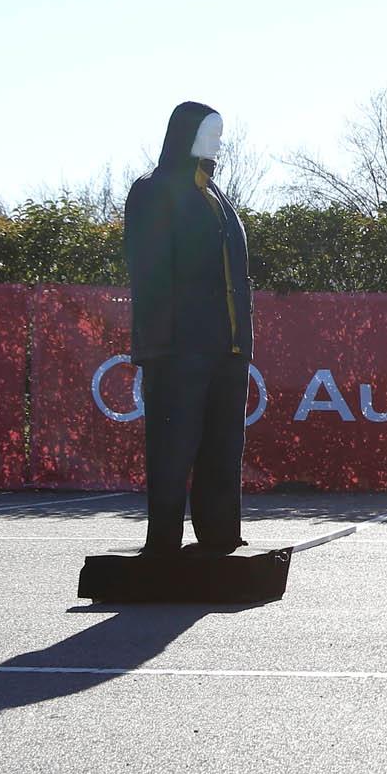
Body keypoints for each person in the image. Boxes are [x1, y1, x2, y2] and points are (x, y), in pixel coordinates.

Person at [124, 102, 254, 557]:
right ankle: (162, 540)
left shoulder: (216, 195)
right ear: (185, 134)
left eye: (220, 133)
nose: (218, 141)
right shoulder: (154, 190)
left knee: (222, 446)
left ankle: (219, 533)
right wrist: (156, 342)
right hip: (179, 346)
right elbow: (148, 270)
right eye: (209, 131)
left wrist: (243, 343)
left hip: (228, 346)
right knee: (172, 447)